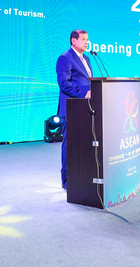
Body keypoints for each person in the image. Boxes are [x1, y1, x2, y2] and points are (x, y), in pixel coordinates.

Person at [56, 29, 92, 189]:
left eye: (87, 39)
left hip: (84, 108)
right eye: (83, 39)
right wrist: (84, 94)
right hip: (71, 108)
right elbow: (64, 84)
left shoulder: (87, 59)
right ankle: (67, 180)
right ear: (73, 41)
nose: (86, 42)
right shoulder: (65, 58)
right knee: (70, 144)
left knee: (83, 144)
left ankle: (81, 176)